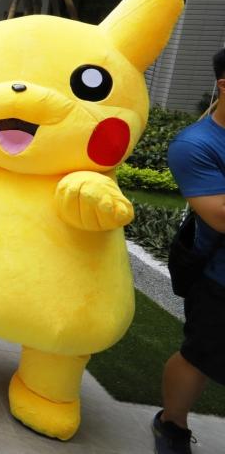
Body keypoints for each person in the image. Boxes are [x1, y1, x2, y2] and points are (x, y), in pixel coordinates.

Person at [153, 48, 225, 454]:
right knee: (199, 356)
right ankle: (171, 423)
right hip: (218, 277)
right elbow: (219, 215)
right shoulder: (195, 145)